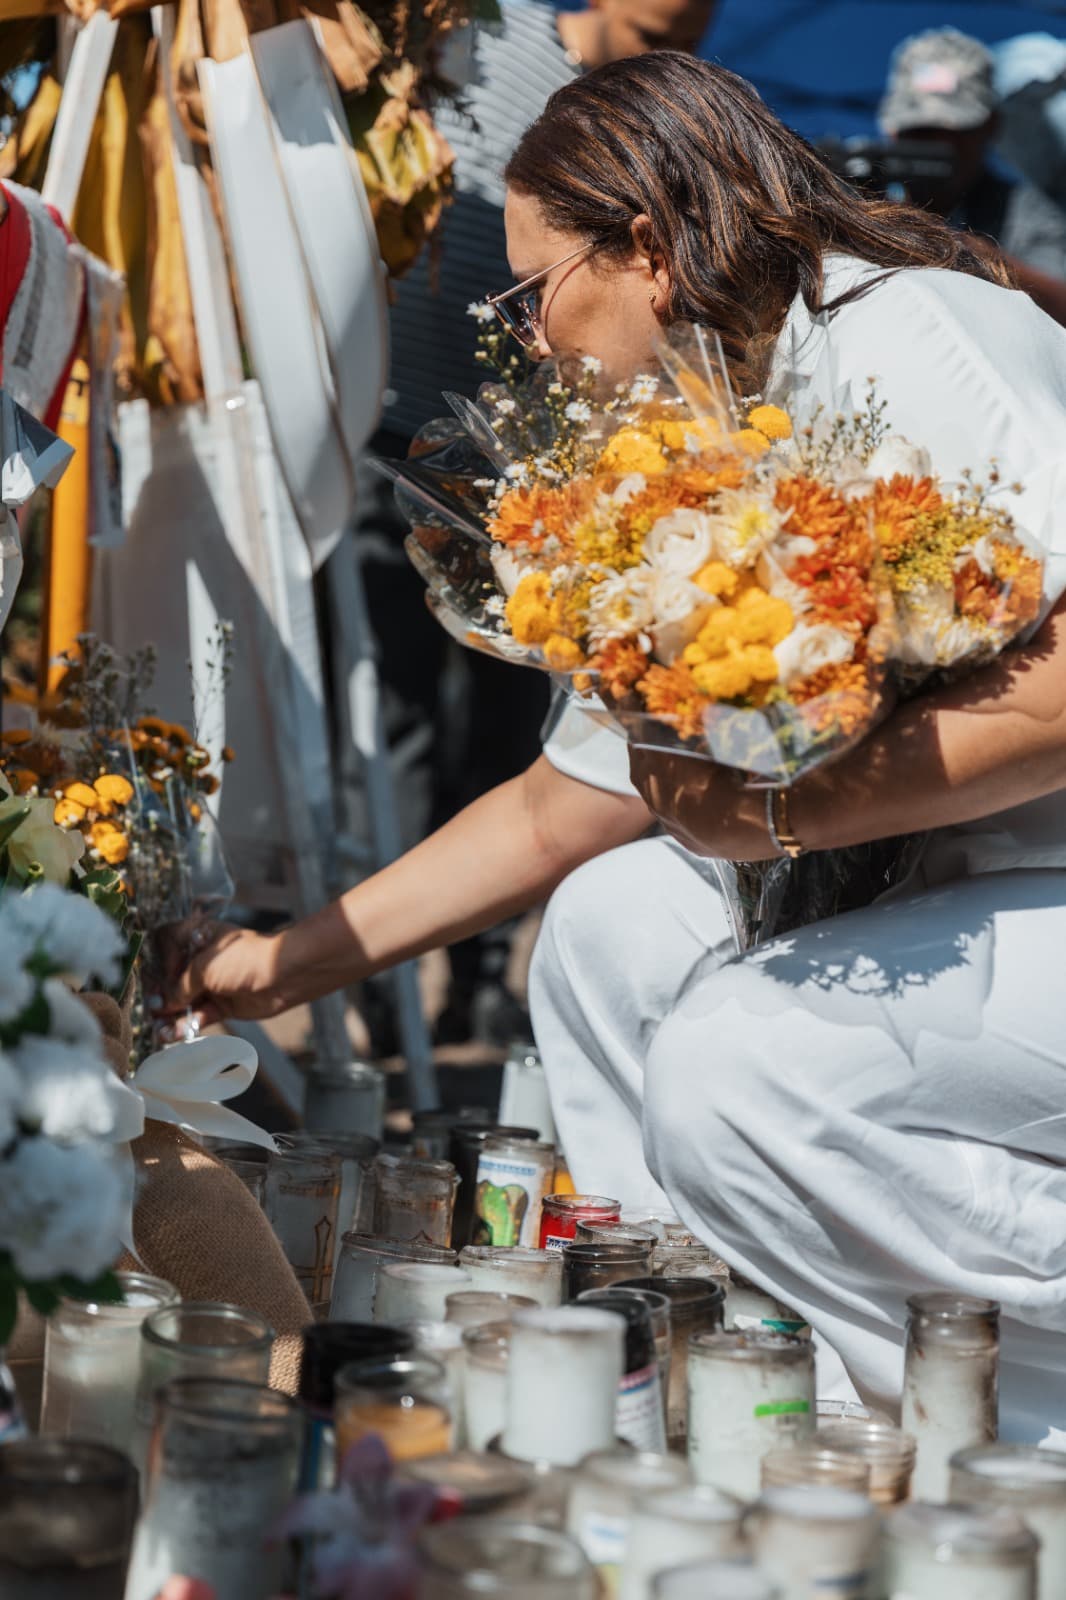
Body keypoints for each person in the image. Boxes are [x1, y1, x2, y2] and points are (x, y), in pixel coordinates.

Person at [176, 54, 1066, 1438]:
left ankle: (979, 1403)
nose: (529, 340)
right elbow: (555, 816)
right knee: (604, 927)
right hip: (951, 889)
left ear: (647, 251)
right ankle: (722, 1362)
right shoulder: (691, 435)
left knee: (740, 1064)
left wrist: (774, 819)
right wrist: (273, 968)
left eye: (530, 294)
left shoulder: (914, 339)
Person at [355, 0, 717, 1048]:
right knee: (403, 717)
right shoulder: (497, 41)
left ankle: (473, 972)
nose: (678, 35)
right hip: (403, 436)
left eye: (689, 34)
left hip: (557, 470)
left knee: (522, 721)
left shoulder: (643, 121)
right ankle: (392, 980)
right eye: (657, 31)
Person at [879, 26, 1066, 325]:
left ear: (990, 126)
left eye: (956, 131)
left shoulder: (1027, 215)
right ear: (891, 129)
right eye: (921, 131)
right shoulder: (854, 196)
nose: (938, 147)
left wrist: (968, 254)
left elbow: (1061, 305)